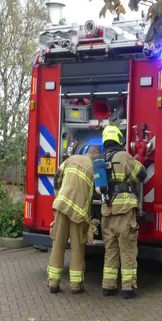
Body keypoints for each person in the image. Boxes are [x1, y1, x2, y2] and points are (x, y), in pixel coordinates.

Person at [100, 125, 147, 299]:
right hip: (124, 211)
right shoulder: (123, 156)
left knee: (110, 250)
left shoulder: (100, 160)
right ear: (118, 139)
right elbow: (141, 174)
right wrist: (140, 158)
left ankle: (108, 286)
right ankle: (128, 288)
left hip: (106, 212)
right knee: (127, 250)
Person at [47, 146, 101, 294]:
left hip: (61, 207)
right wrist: (93, 218)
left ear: (87, 152)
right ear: (96, 157)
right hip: (78, 213)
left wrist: (58, 196)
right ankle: (76, 286)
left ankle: (53, 284)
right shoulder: (95, 168)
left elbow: (57, 176)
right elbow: (97, 194)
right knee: (77, 248)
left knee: (58, 244)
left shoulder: (71, 159)